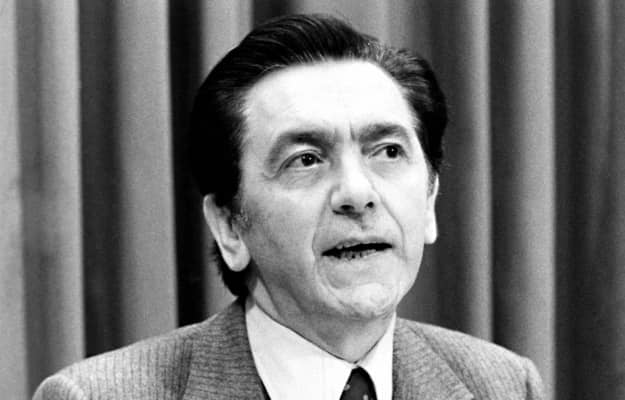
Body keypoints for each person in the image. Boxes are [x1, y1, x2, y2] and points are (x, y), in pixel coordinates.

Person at [34, 14, 544, 400]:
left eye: (388, 152)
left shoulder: (504, 384)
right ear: (230, 226)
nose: (357, 193)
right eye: (306, 160)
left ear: (430, 198)